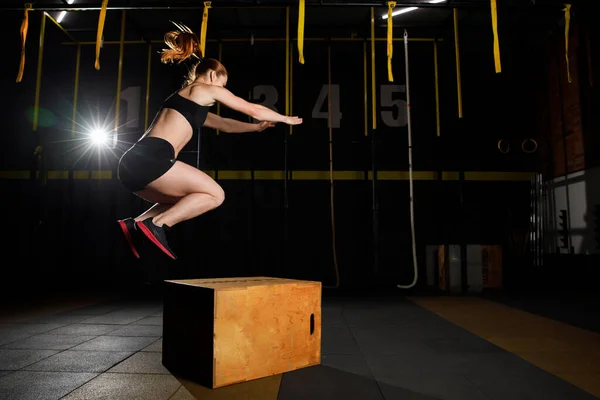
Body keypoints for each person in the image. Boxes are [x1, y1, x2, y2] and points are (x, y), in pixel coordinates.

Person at [116, 23, 302, 260]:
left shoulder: (190, 102)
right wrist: (285, 118)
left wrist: (256, 128)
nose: (222, 92)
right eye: (223, 86)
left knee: (191, 197)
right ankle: (157, 225)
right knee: (215, 195)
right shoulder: (204, 88)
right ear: (213, 76)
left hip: (133, 165)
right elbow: (251, 108)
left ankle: (136, 223)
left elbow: (225, 124)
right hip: (154, 159)